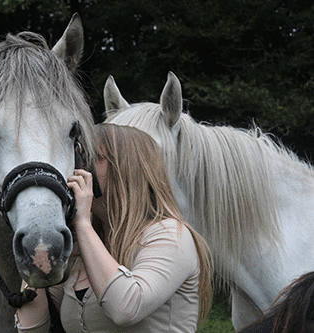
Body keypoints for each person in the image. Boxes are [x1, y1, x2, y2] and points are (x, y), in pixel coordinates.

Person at [15, 123, 213, 332]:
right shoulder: (85, 244)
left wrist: (83, 223)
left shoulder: (171, 235)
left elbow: (127, 308)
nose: (78, 170)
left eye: (92, 158)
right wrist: (37, 244)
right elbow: (32, 329)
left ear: (127, 170)